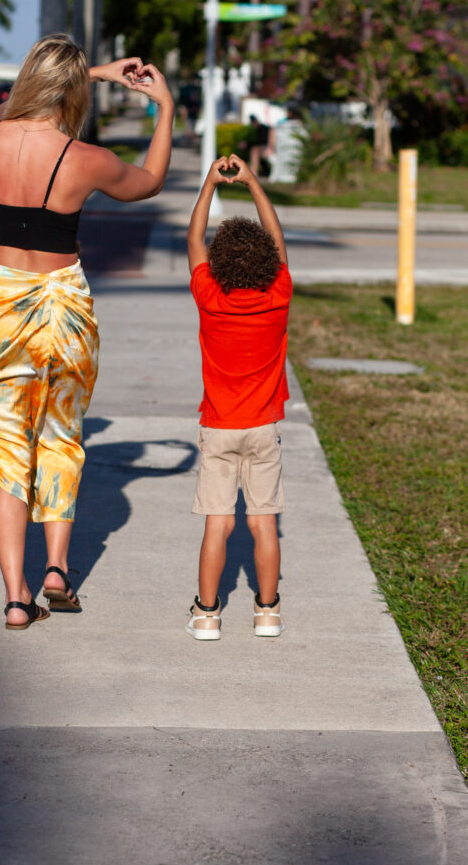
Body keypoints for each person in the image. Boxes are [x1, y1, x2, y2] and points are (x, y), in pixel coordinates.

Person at [0, 33, 174, 630]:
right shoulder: (85, 159)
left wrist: (86, 71)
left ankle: (16, 599)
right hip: (61, 305)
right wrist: (164, 108)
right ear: (71, 92)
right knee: (61, 437)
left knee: (6, 457)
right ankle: (56, 570)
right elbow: (149, 180)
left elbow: (9, 103)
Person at [185, 153, 292, 641]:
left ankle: (207, 613)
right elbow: (278, 242)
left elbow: (193, 240)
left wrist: (210, 184)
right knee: (263, 524)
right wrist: (251, 182)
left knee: (218, 524)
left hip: (219, 427)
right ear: (268, 262)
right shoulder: (278, 293)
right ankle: (267, 611)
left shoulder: (211, 296)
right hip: (263, 428)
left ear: (220, 260)